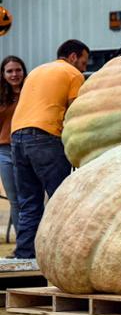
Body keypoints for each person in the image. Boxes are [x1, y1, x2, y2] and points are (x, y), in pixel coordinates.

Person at [11, 39, 89, 259]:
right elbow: (76, 113)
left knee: (28, 202)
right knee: (60, 199)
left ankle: (25, 254)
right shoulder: (73, 74)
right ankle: (62, 254)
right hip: (45, 136)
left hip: (17, 136)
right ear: (73, 57)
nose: (83, 67)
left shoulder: (37, 71)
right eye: (83, 62)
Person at [0, 56, 27, 257]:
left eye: (18, 70)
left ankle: (33, 244)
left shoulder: (30, 92)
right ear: (3, 74)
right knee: (15, 201)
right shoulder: (1, 96)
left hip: (28, 148)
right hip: (5, 151)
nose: (14, 74)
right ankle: (23, 247)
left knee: (30, 199)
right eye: (9, 71)